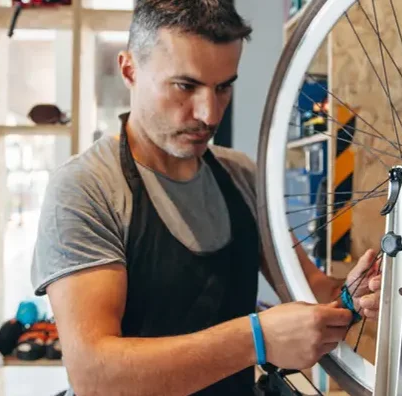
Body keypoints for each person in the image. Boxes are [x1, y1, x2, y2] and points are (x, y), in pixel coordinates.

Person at [30, 1, 382, 395]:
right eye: (186, 86)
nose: (209, 114)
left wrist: (354, 295)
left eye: (223, 86)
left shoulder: (240, 175)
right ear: (129, 69)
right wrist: (256, 339)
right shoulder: (85, 188)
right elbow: (96, 376)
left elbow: (312, 288)